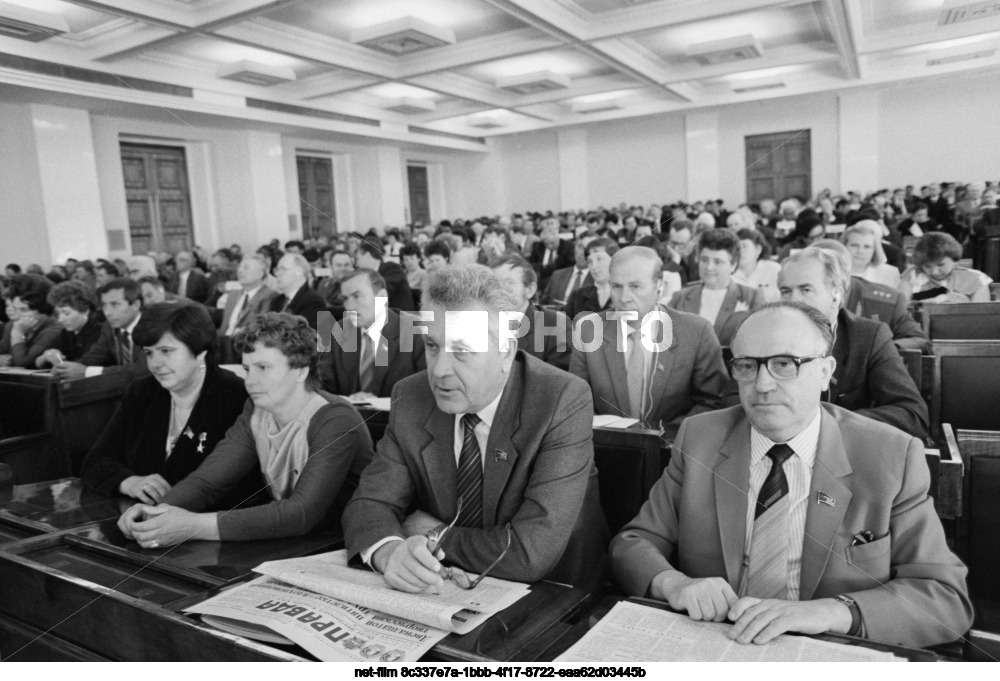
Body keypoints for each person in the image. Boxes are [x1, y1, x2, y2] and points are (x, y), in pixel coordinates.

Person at [609, 301, 973, 649]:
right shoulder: (701, 437)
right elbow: (634, 542)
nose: (763, 385)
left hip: (827, 652)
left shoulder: (890, 455)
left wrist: (834, 612)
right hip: (716, 643)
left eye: (785, 364)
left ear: (825, 372)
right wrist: (673, 584)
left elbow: (944, 599)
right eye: (748, 366)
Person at [343, 265, 607, 590]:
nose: (439, 370)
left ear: (505, 352)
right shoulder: (411, 396)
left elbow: (529, 552)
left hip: (557, 596)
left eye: (463, 350)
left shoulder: (561, 399)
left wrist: (435, 534)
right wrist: (389, 552)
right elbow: (369, 504)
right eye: (432, 346)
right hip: (445, 588)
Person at [118, 312, 374, 546]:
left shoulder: (335, 419)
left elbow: (301, 514)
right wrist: (155, 511)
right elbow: (209, 481)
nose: (250, 381)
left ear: (300, 371)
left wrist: (192, 525)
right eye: (247, 369)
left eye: (263, 368)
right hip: (294, 541)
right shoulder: (256, 409)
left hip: (346, 543)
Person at [80, 302, 262, 508]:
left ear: (200, 350)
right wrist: (129, 482)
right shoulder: (142, 391)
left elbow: (244, 488)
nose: (155, 364)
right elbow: (94, 461)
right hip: (138, 517)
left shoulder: (235, 395)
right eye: (149, 353)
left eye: (166, 351)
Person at [570, 246, 728, 429]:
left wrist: (663, 437)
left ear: (659, 285)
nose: (624, 297)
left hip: (674, 448)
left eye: (635, 286)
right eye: (616, 286)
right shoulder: (588, 330)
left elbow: (712, 402)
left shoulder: (697, 332)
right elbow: (578, 401)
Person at [779, 249, 928, 438]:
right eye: (785, 291)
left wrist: (827, 423)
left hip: (846, 450)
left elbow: (912, 414)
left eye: (805, 290)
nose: (793, 300)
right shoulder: (763, 333)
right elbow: (735, 404)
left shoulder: (868, 337)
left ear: (836, 294)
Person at [319, 269, 426, 399]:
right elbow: (324, 385)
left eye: (357, 296)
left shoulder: (415, 330)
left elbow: (425, 392)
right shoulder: (341, 329)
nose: (349, 306)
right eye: (345, 299)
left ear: (381, 297)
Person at [812, 240, 930, 354]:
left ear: (846, 271)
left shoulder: (887, 302)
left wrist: (879, 349)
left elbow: (919, 341)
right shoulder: (796, 295)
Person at [669, 229, 763, 347]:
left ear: (733, 265)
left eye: (717, 262)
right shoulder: (680, 297)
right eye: (704, 260)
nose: (709, 267)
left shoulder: (752, 297)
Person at [51, 278, 148, 381]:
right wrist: (66, 369)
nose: (108, 312)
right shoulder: (108, 327)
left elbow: (142, 369)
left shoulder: (152, 327)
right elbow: (96, 355)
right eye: (104, 305)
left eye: (114, 304)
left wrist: (87, 371)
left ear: (135, 305)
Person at [491, 254, 573, 371]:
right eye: (494, 284)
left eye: (508, 283)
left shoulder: (555, 325)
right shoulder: (484, 323)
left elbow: (558, 380)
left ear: (529, 290)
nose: (500, 290)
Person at [900, 232, 992, 303]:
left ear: (954, 259)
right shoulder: (912, 274)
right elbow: (900, 309)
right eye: (927, 266)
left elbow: (981, 316)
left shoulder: (976, 279)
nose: (934, 271)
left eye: (941, 265)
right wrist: (936, 301)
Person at [219, 254, 277, 364]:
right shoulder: (233, 295)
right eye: (240, 267)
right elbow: (224, 327)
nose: (240, 271)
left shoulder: (269, 296)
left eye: (246, 268)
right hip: (222, 346)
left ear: (260, 274)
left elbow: (260, 327)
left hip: (244, 350)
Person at [0, 274, 61, 368]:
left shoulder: (55, 329)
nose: (18, 315)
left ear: (43, 309)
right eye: (16, 308)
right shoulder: (13, 324)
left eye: (24, 310)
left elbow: (23, 363)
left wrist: (18, 333)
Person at [37, 280, 103, 367]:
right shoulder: (67, 333)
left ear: (85, 310)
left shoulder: (100, 332)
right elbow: (37, 363)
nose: (60, 319)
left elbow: (83, 366)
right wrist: (46, 356)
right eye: (58, 313)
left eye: (66, 313)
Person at [355, 237, 416, 313]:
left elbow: (381, 293)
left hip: (402, 319)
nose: (357, 264)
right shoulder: (374, 274)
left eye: (357, 259)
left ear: (367, 256)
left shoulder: (392, 269)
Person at [268, 253, 327, 329]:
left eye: (283, 269)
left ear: (298, 272)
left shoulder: (313, 302)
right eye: (277, 269)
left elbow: (305, 336)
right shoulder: (277, 300)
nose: (277, 273)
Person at [564, 237, 617, 322]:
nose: (594, 267)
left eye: (599, 259)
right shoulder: (578, 296)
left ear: (614, 260)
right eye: (590, 261)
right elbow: (566, 330)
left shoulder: (626, 295)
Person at [842, 221, 900, 289]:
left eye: (867, 247)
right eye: (854, 245)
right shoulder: (830, 271)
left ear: (875, 250)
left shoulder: (890, 274)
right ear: (843, 246)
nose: (860, 251)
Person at [541, 236, 594, 307]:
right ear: (574, 248)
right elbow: (543, 305)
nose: (583, 253)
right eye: (580, 247)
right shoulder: (557, 275)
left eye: (588, 249)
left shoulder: (598, 280)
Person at [528, 218, 574, 294]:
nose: (549, 246)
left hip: (560, 279)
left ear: (558, 239)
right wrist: (547, 268)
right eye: (546, 243)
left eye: (552, 243)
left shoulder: (567, 247)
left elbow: (568, 266)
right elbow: (532, 264)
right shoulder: (537, 246)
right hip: (540, 278)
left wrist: (547, 267)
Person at [733, 228, 781, 302]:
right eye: (737, 248)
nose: (741, 251)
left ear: (758, 249)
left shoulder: (773, 269)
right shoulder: (730, 272)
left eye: (745, 246)